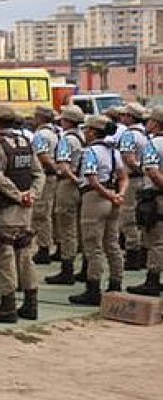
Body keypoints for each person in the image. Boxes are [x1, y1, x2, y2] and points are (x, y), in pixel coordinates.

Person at [0, 104, 44, 323]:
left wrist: (17, 195)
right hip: (25, 210)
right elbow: (38, 173)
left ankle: (7, 305)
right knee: (24, 255)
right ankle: (31, 303)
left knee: (4, 256)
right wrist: (31, 194)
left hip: (4, 208)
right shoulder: (25, 143)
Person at [69, 115, 128, 306]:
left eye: (87, 130)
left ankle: (93, 288)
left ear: (94, 131)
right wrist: (119, 194)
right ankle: (116, 283)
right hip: (113, 196)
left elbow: (92, 180)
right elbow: (123, 177)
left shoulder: (91, 152)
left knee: (93, 244)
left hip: (95, 198)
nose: (85, 133)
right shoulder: (113, 152)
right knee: (112, 242)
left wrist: (108, 195)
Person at [44, 106, 85, 286]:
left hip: (68, 184)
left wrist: (74, 179)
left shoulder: (66, 140)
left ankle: (67, 268)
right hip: (82, 185)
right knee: (80, 227)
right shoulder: (83, 137)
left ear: (66, 121)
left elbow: (63, 166)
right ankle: (85, 267)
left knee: (67, 227)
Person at [129, 106, 163, 296]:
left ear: (156, 123)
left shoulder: (153, 144)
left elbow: (151, 170)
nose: (146, 123)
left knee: (155, 240)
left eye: (149, 120)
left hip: (156, 196)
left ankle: (152, 280)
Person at [117, 103, 150, 271]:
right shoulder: (145, 134)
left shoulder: (128, 135)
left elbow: (127, 158)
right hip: (144, 179)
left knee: (128, 217)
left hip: (132, 179)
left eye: (124, 114)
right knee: (142, 217)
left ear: (130, 117)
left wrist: (137, 168)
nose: (121, 117)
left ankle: (133, 255)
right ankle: (144, 253)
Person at [30, 106, 61, 265]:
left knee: (42, 214)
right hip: (55, 177)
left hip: (46, 176)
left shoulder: (41, 134)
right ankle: (58, 245)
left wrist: (52, 168)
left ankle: (43, 247)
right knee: (54, 213)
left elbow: (42, 156)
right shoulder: (56, 132)